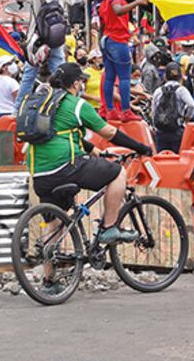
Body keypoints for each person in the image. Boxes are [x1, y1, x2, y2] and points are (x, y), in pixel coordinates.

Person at [27, 62, 151, 247]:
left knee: (55, 224)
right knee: (118, 173)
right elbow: (109, 133)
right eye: (81, 82)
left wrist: (91, 149)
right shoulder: (76, 104)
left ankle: (48, 274)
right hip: (65, 167)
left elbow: (57, 133)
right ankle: (109, 227)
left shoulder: (45, 103)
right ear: (76, 84)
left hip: (39, 173)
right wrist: (140, 147)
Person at [6, 0, 83, 105]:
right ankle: (62, 105)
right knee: (60, 74)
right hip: (56, 40)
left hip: (37, 41)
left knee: (29, 77)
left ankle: (17, 110)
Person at [98, 0, 148, 121]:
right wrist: (138, 2)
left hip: (107, 40)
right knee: (125, 78)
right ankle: (126, 111)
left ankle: (110, 110)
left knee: (109, 77)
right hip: (118, 40)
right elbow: (119, 10)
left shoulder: (104, 1)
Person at [151, 62, 194, 153]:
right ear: (180, 77)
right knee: (177, 157)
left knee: (161, 157)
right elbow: (192, 105)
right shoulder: (182, 90)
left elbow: (154, 110)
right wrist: (186, 118)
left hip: (161, 131)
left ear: (165, 77)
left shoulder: (158, 91)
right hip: (177, 129)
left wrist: (155, 126)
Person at [0, 55, 20, 128]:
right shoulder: (12, 82)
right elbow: (19, 101)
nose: (13, 64)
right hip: (8, 118)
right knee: (6, 140)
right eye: (10, 63)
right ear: (3, 67)